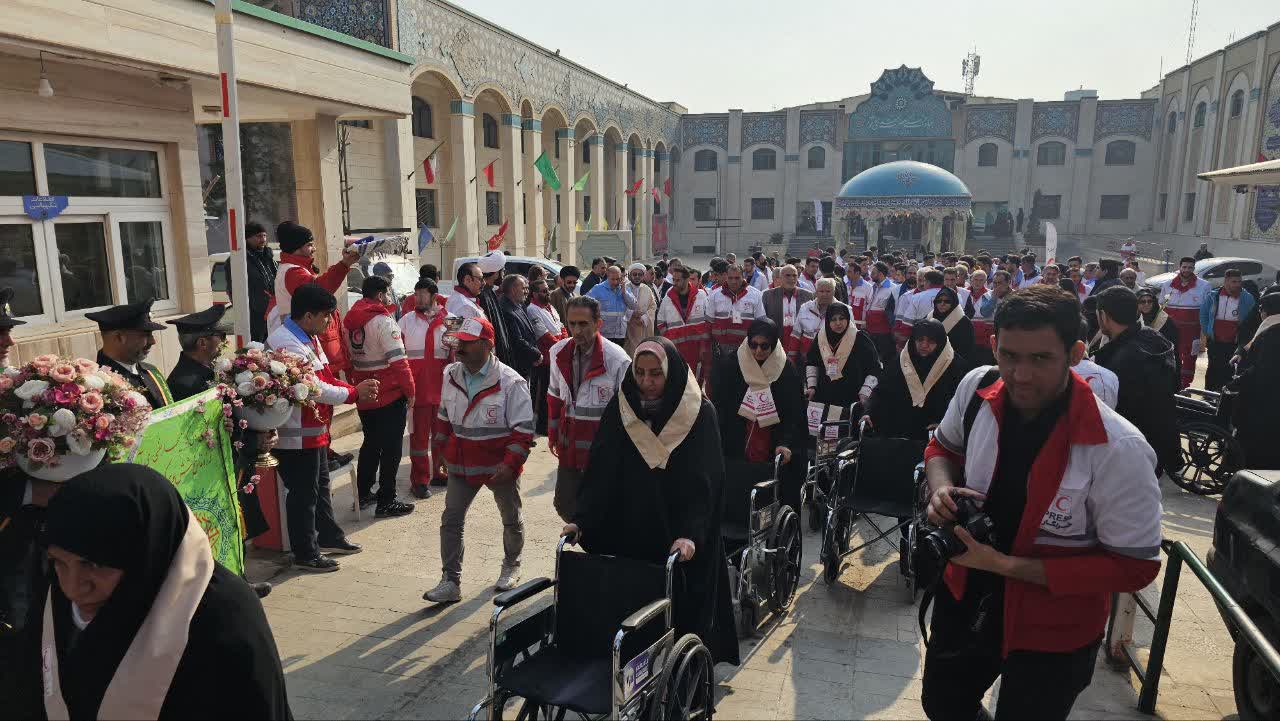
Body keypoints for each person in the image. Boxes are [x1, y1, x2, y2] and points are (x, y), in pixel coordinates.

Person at [919, 285, 1163, 721]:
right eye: (1009, 355)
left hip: (1054, 629)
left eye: (1040, 359)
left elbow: (1135, 566)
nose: (1021, 374)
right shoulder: (977, 388)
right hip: (965, 594)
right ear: (993, 344)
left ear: (1076, 354)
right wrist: (939, 488)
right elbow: (942, 449)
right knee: (942, 704)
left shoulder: (1119, 447)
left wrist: (1005, 566)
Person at [24, 465, 291, 719]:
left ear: (147, 550)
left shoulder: (222, 618)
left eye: (92, 564)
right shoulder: (54, 600)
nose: (73, 588)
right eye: (59, 562)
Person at [564, 337, 740, 667]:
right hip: (632, 524)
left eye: (656, 374)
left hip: (677, 530)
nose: (646, 382)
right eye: (640, 373)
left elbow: (706, 481)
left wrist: (691, 533)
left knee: (679, 598)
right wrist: (582, 518)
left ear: (670, 372)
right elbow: (601, 468)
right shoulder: (622, 407)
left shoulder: (698, 412)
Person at [267, 284, 379, 572]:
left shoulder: (306, 337)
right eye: (326, 316)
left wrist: (353, 389)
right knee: (303, 495)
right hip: (295, 436)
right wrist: (353, 394)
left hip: (314, 432)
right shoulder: (286, 343)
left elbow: (326, 376)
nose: (329, 321)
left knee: (320, 487)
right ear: (308, 316)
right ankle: (306, 553)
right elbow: (315, 388)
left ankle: (329, 536)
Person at [424, 317, 534, 603]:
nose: (459, 348)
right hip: (461, 463)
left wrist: (510, 464)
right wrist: (440, 451)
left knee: (510, 518)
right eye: (458, 341)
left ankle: (512, 565)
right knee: (451, 520)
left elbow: (523, 432)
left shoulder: (511, 382)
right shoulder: (451, 374)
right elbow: (443, 417)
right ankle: (450, 582)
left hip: (500, 468)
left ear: (487, 345)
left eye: (468, 343)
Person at [166, 305, 275, 581]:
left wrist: (260, 432)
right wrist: (249, 439)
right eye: (219, 336)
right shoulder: (185, 382)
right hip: (208, 473)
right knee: (218, 530)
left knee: (236, 526)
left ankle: (240, 580)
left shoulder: (210, 372)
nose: (224, 342)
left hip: (231, 465)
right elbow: (201, 438)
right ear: (203, 343)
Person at [547, 296, 632, 522]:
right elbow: (554, 397)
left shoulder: (617, 360)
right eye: (572, 323)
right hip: (569, 446)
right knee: (565, 504)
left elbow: (629, 412)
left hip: (602, 451)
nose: (577, 330)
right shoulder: (557, 352)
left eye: (583, 324)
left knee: (603, 506)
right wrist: (553, 434)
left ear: (598, 324)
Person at [711, 317, 806, 511]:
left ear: (774, 344)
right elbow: (721, 405)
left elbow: (794, 412)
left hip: (773, 441)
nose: (758, 351)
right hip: (739, 439)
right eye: (753, 345)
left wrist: (785, 441)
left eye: (764, 346)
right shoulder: (732, 365)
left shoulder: (786, 369)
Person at [344, 276, 416, 518]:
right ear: (380, 295)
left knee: (371, 443)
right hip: (389, 394)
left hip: (364, 392)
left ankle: (364, 493)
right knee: (392, 448)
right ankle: (387, 500)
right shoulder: (383, 321)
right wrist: (410, 391)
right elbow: (400, 363)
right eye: (387, 293)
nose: (389, 298)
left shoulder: (349, 321)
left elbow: (347, 358)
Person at [1091, 286, 1182, 476]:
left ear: (1103, 316)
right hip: (1161, 441)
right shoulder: (1154, 337)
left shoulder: (1120, 359)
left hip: (1131, 454)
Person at [269, 220, 359, 377]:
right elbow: (319, 291)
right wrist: (344, 264)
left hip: (308, 338)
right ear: (296, 247)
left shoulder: (295, 269)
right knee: (320, 384)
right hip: (306, 340)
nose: (314, 249)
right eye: (309, 245)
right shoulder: (293, 272)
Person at [865, 319, 970, 441]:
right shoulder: (902, 361)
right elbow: (881, 392)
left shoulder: (956, 366)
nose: (924, 345)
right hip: (897, 433)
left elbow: (961, 405)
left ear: (940, 342)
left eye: (931, 341)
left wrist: (944, 426)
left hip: (936, 434)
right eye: (920, 340)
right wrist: (868, 412)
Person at [399, 278, 451, 497]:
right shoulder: (405, 322)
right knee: (419, 440)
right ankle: (419, 481)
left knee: (442, 436)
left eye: (422, 294)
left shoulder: (450, 321)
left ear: (434, 296)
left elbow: (458, 356)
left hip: (443, 392)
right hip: (418, 392)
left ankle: (440, 473)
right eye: (416, 293)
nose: (417, 298)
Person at [85, 299, 173, 409]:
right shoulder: (98, 387)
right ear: (119, 337)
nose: (153, 341)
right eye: (146, 335)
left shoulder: (151, 372)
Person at [1229, 292, 1280, 468]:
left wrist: (1239, 381)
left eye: (1261, 309)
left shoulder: (1272, 332)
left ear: (1267, 311)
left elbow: (1263, 368)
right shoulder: (1270, 328)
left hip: (1265, 397)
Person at [805, 303, 881, 413]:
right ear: (828, 321)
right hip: (824, 397)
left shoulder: (860, 338)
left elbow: (875, 368)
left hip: (852, 399)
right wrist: (812, 386)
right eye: (833, 319)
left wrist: (865, 391)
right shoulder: (821, 338)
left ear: (848, 318)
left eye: (841, 318)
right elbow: (812, 363)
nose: (838, 323)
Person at [1159, 257, 1212, 389]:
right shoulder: (1167, 285)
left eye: (1190, 267)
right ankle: (1170, 382)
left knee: (1190, 358)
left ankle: (1185, 386)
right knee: (1170, 354)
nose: (1187, 270)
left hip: (1192, 331)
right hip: (1171, 330)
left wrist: (1205, 331)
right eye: (1184, 267)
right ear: (1180, 267)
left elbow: (1207, 310)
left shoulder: (1204, 286)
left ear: (1194, 269)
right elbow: (1161, 307)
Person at [1200, 268, 1255, 392]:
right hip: (1215, 341)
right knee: (1213, 370)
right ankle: (1209, 396)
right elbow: (1203, 314)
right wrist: (1207, 331)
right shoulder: (1212, 296)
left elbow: (1251, 321)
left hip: (1234, 343)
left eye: (1239, 282)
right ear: (1225, 281)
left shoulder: (1248, 298)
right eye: (1234, 282)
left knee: (1230, 371)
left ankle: (1226, 398)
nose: (1237, 285)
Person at [656, 265, 713, 384]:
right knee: (678, 383)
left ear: (687, 280)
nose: (674, 283)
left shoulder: (701, 295)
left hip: (697, 350)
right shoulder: (668, 298)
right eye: (673, 280)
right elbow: (660, 322)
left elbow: (708, 321)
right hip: (677, 350)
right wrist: (669, 339)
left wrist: (704, 345)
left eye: (678, 280)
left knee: (696, 384)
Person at [223, 220, 277, 342]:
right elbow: (233, 290)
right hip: (253, 319)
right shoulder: (237, 260)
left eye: (264, 236)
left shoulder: (268, 257)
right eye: (258, 236)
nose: (263, 240)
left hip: (273, 314)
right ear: (247, 238)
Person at [525, 278, 566, 435]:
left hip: (557, 356)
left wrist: (564, 341)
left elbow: (561, 327)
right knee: (542, 394)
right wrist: (561, 345)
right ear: (534, 294)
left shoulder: (550, 307)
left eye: (547, 290)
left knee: (554, 392)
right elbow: (543, 335)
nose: (547, 293)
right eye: (543, 291)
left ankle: (551, 423)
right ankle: (541, 426)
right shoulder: (532, 310)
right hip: (545, 359)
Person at [761, 264, 814, 368]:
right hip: (776, 345)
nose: (791, 278)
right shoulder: (768, 295)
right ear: (780, 278)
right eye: (788, 275)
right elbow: (764, 322)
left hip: (799, 347)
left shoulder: (807, 296)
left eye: (794, 275)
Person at [708, 264, 766, 358]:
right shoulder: (714, 295)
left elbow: (761, 324)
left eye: (737, 278)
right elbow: (708, 323)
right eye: (730, 278)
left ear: (743, 277)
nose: (733, 281)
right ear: (726, 277)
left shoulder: (756, 295)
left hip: (747, 349)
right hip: (720, 349)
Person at [498, 274, 541, 379]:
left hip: (526, 364)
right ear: (513, 290)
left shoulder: (519, 305)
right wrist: (536, 354)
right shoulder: (506, 310)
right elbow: (517, 340)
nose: (527, 292)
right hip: (516, 367)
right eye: (524, 288)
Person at [476, 251, 512, 367]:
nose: (504, 273)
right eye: (503, 271)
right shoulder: (482, 295)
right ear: (496, 273)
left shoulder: (490, 291)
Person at [586, 265, 637, 346]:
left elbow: (633, 306)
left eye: (618, 279)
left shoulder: (625, 288)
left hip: (620, 333)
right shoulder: (598, 289)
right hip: (604, 333)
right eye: (612, 279)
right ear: (607, 276)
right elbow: (585, 305)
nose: (615, 282)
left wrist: (624, 292)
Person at [932, 286, 975, 361]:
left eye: (947, 301)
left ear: (953, 302)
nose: (942, 304)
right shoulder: (930, 317)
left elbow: (967, 350)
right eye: (939, 301)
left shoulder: (963, 322)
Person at [625, 262, 658, 355]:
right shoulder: (624, 289)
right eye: (634, 274)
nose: (637, 277)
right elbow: (620, 306)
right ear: (629, 276)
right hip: (629, 329)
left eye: (640, 274)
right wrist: (631, 314)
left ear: (643, 276)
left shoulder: (647, 289)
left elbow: (653, 306)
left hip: (644, 328)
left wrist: (644, 318)